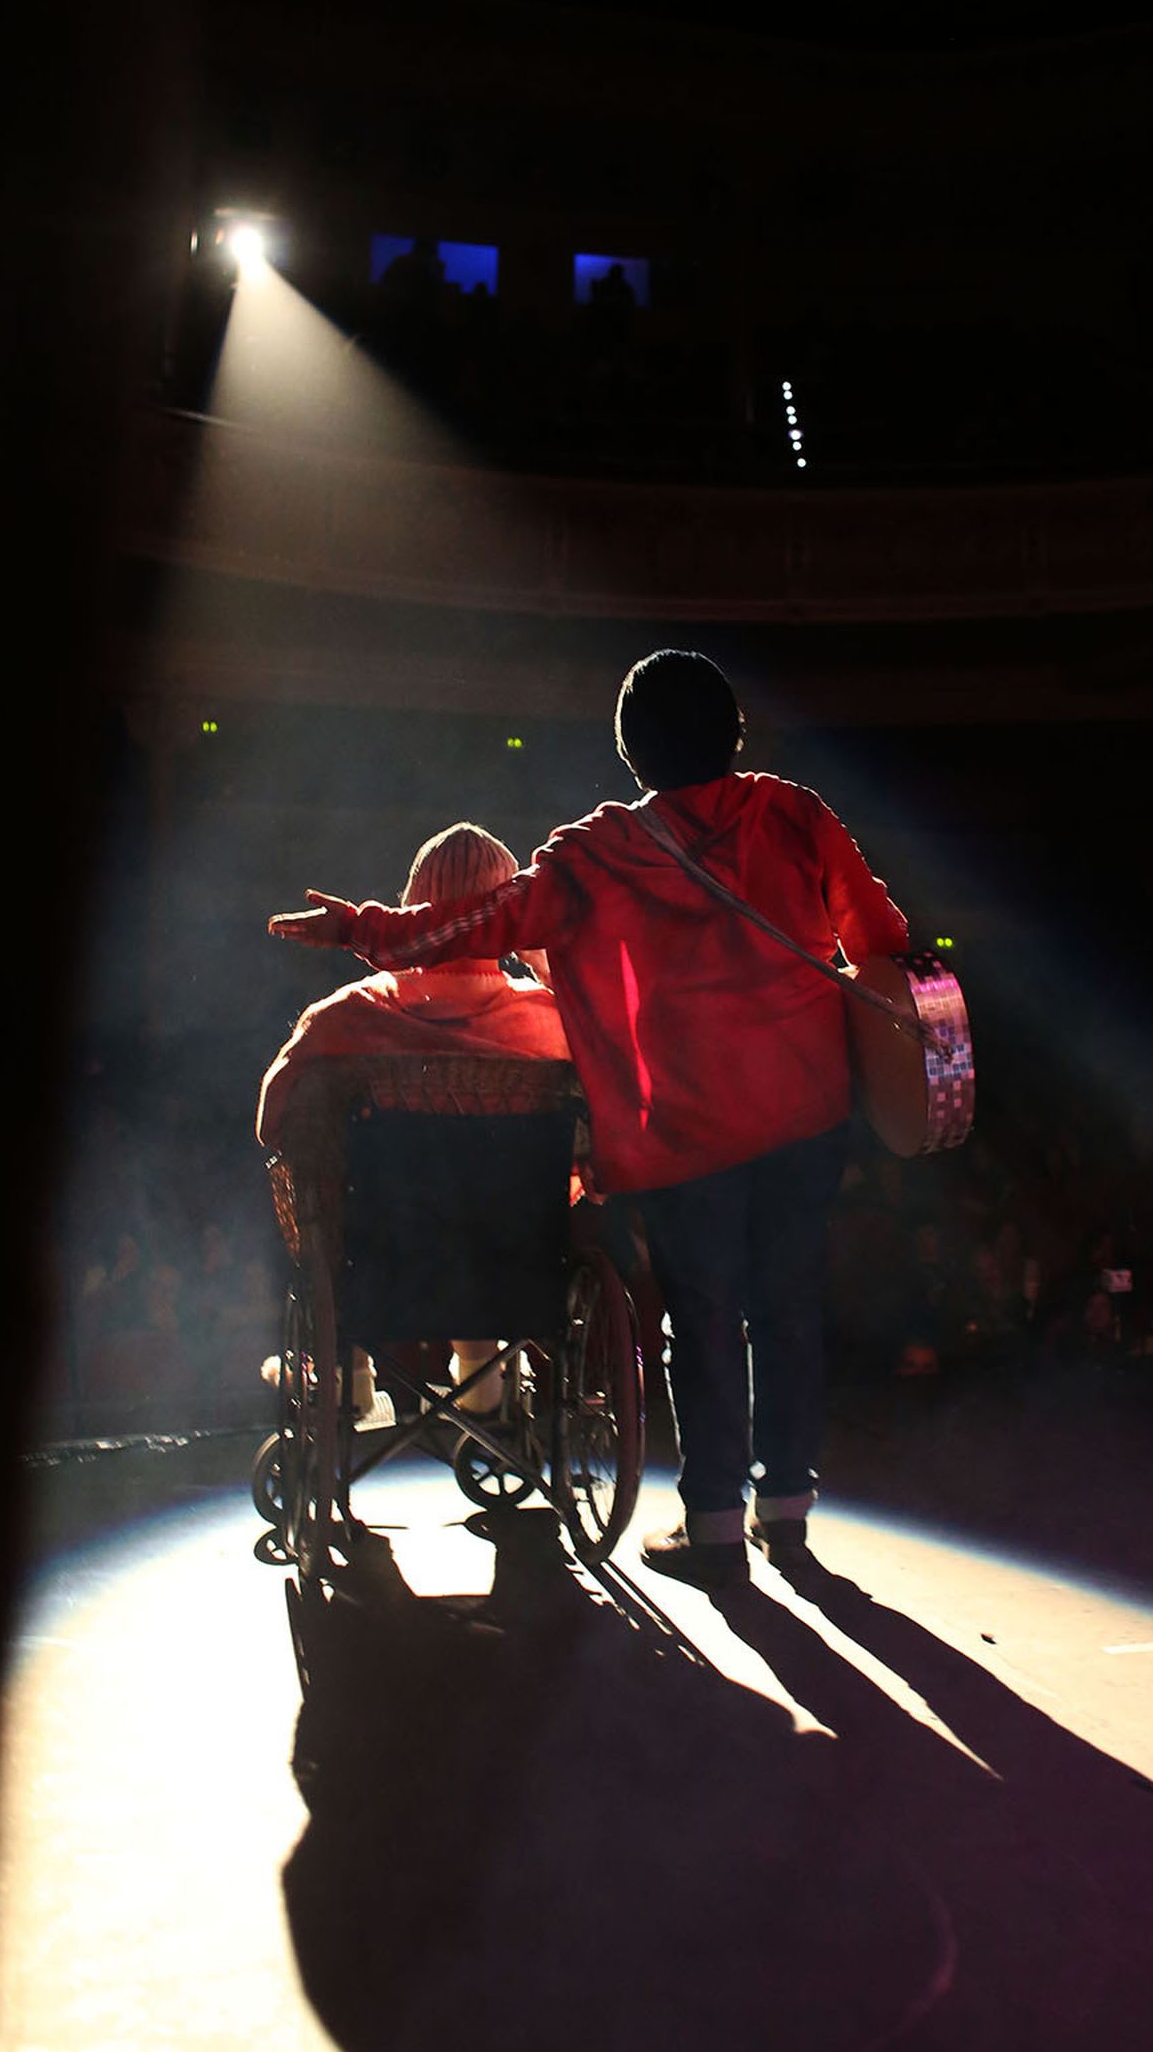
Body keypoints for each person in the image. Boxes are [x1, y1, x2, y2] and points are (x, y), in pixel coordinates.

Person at [269, 650, 909, 1587]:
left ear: (630, 752)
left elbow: (472, 926)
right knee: (788, 1308)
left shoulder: (598, 852)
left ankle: (715, 1525)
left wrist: (361, 928)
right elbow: (883, 940)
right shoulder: (795, 814)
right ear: (735, 735)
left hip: (686, 1131)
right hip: (806, 1113)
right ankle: (788, 1513)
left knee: (703, 1315)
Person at [261, 822, 569, 1418]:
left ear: (411, 906)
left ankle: (349, 1373)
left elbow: (276, 1125)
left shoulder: (345, 1018)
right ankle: (483, 1375)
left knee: (327, 1199)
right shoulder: (548, 1022)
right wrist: (537, 954)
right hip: (510, 1261)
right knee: (489, 1208)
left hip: (380, 1263)